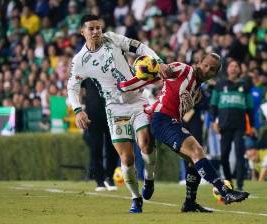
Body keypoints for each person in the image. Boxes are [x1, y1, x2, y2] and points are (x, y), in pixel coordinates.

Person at [67, 15, 171, 213]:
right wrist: (78, 110)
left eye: (98, 27)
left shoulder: (112, 38)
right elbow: (72, 87)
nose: (96, 31)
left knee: (146, 144)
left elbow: (139, 47)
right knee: (127, 159)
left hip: (137, 100)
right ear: (83, 32)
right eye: (91, 29)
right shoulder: (80, 60)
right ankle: (135, 197)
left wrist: (158, 61)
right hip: (114, 108)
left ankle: (149, 179)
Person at [119, 53, 250, 210]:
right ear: (199, 62)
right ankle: (224, 191)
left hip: (171, 121)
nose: (207, 69)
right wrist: (126, 85)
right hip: (162, 119)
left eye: (212, 69)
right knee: (196, 150)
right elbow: (153, 74)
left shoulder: (198, 92)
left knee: (193, 160)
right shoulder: (182, 69)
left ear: (215, 74)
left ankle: (189, 203)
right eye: (206, 65)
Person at [210, 59, 254, 191]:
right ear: (227, 69)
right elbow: (213, 105)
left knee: (239, 154)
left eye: (236, 66)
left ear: (239, 70)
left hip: (240, 125)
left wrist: (252, 126)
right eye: (231, 66)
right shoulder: (220, 84)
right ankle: (228, 182)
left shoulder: (245, 85)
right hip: (224, 125)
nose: (234, 68)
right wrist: (214, 122)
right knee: (224, 155)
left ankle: (240, 184)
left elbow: (250, 107)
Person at [81, 78, 119, 192]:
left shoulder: (110, 66)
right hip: (93, 113)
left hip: (112, 111)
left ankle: (109, 176)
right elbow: (76, 85)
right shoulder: (86, 67)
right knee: (95, 147)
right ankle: (99, 180)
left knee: (113, 146)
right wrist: (79, 109)